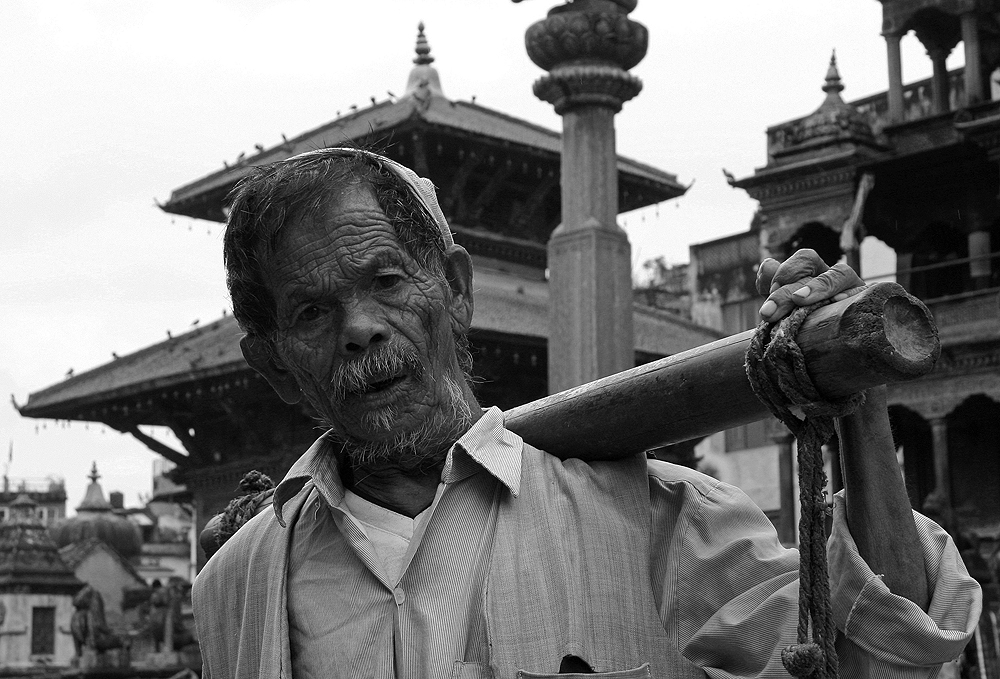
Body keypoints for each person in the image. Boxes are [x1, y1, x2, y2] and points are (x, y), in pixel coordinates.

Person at [193, 147, 981, 678]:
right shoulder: (239, 583)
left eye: (389, 281)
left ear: (458, 292)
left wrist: (858, 399)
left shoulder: (647, 515)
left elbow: (891, 655)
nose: (361, 325)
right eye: (311, 312)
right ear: (276, 368)